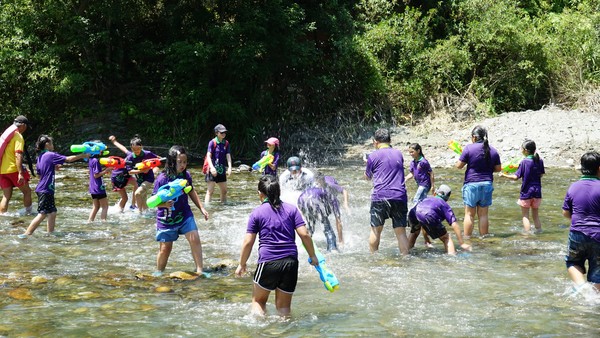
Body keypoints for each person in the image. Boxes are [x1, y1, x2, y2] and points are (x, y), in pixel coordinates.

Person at [235, 175, 318, 318]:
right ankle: (285, 330)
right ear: (279, 191)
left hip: (268, 261)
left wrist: (241, 264)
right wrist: (313, 256)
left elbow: (248, 242)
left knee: (258, 301)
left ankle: (260, 330)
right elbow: (304, 234)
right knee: (284, 308)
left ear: (260, 193)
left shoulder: (257, 213)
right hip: (291, 263)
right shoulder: (292, 210)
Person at [151, 145, 209, 276]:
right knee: (165, 248)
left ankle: (200, 270)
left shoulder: (185, 176)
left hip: (184, 215)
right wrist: (164, 204)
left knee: (195, 239)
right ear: (171, 162)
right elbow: (153, 202)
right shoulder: (162, 179)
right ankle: (159, 272)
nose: (183, 165)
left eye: (185, 162)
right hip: (166, 219)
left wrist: (201, 208)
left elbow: (191, 191)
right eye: (179, 162)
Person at [18, 135, 89, 238]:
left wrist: (53, 167)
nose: (53, 145)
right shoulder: (50, 154)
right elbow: (68, 159)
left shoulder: (40, 157)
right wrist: (83, 155)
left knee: (52, 212)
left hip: (43, 188)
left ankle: (50, 233)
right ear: (47, 144)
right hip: (46, 189)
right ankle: (26, 234)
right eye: (51, 143)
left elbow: (39, 174)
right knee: (42, 213)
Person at [364, 128, 410, 255]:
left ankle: (373, 258)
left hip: (380, 197)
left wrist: (367, 164)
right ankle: (405, 258)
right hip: (399, 196)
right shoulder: (398, 154)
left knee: (375, 231)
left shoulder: (373, 156)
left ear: (375, 142)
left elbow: (368, 177)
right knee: (401, 232)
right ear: (390, 140)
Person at [562, 151, 600, 293]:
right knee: (598, 271)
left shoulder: (574, 187)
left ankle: (581, 287)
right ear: (599, 169)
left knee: (573, 262)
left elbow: (566, 213)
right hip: (598, 235)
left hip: (577, 233)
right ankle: (593, 299)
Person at [455, 125, 501, 238]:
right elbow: (498, 169)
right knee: (483, 215)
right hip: (487, 184)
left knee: (469, 215)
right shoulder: (493, 150)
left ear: (474, 137)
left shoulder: (469, 148)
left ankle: (467, 239)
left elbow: (459, 166)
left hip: (471, 184)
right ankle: (484, 239)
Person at [407, 184, 472, 255]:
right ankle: (452, 257)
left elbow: (423, 221)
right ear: (447, 199)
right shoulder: (444, 205)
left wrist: (427, 240)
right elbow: (454, 224)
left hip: (413, 212)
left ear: (435, 193)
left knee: (414, 232)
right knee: (446, 238)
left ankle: (406, 252)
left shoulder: (426, 199)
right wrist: (462, 243)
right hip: (429, 214)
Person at [499, 139, 545, 234]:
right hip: (537, 192)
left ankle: (527, 235)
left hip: (526, 192)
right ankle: (539, 233)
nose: (521, 150)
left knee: (525, 216)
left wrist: (504, 175)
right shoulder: (540, 161)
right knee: (536, 215)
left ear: (526, 150)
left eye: (522, 148)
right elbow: (541, 174)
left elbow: (516, 177)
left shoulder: (524, 162)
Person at [111, 135, 159, 215]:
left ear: (141, 146)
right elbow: (130, 172)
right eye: (134, 149)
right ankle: (148, 215)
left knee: (137, 193)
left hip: (149, 179)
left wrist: (151, 167)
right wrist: (141, 171)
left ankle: (139, 214)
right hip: (140, 179)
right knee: (143, 201)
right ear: (131, 148)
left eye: (138, 149)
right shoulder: (130, 157)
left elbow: (157, 160)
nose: (136, 151)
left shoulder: (148, 154)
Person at [0, 115, 33, 214]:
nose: (26, 129)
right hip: (13, 169)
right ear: (22, 125)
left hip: (2, 171)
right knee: (27, 192)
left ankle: (2, 217)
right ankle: (29, 214)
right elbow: (18, 155)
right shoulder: (18, 136)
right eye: (26, 126)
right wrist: (20, 173)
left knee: (6, 196)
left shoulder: (5, 136)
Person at [297, 174, 339, 251]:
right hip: (313, 201)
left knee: (310, 228)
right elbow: (338, 218)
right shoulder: (330, 194)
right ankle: (333, 249)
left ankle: (303, 248)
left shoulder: (313, 189)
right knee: (328, 230)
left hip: (301, 200)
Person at [404, 143, 435, 247]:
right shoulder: (413, 162)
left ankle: (412, 217)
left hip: (425, 185)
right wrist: (404, 180)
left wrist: (433, 186)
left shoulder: (423, 162)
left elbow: (431, 173)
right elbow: (412, 174)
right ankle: (426, 237)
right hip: (419, 185)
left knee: (416, 201)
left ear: (418, 151)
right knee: (420, 207)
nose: (411, 154)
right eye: (409, 152)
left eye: (412, 152)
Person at [108, 135, 138, 212]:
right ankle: (119, 212)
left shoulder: (140, 156)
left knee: (136, 184)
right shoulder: (131, 155)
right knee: (125, 198)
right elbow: (123, 148)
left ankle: (133, 205)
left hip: (126, 176)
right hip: (117, 177)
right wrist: (114, 141)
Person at [205, 124, 232, 203]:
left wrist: (230, 167)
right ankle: (207, 209)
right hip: (212, 170)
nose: (223, 134)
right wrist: (212, 168)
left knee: (224, 191)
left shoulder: (226, 143)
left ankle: (223, 208)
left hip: (221, 170)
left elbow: (228, 155)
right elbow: (208, 156)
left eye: (224, 132)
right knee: (210, 191)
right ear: (216, 133)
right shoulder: (212, 143)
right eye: (221, 132)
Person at [87, 147, 112, 222]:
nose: (102, 151)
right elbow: (96, 175)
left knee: (96, 207)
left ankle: (89, 222)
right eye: (101, 149)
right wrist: (106, 170)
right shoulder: (96, 161)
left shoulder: (91, 159)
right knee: (105, 206)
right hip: (98, 187)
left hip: (92, 187)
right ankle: (103, 222)